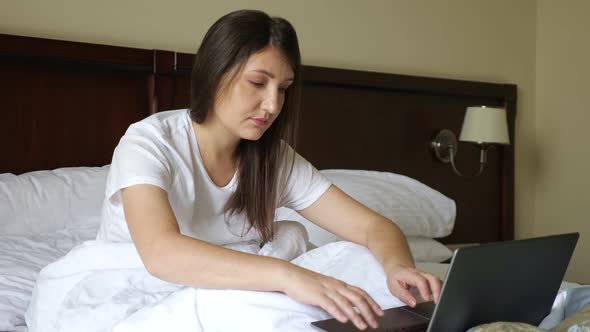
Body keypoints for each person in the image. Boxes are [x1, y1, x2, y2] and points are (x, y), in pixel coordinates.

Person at [96, 9, 441, 331]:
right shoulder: (149, 143)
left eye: (283, 89)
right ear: (216, 73)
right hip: (145, 286)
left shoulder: (271, 157)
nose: (273, 105)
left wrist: (398, 266)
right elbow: (162, 254)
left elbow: (372, 227)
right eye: (258, 83)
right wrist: (287, 276)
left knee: (363, 261)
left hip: (243, 282)